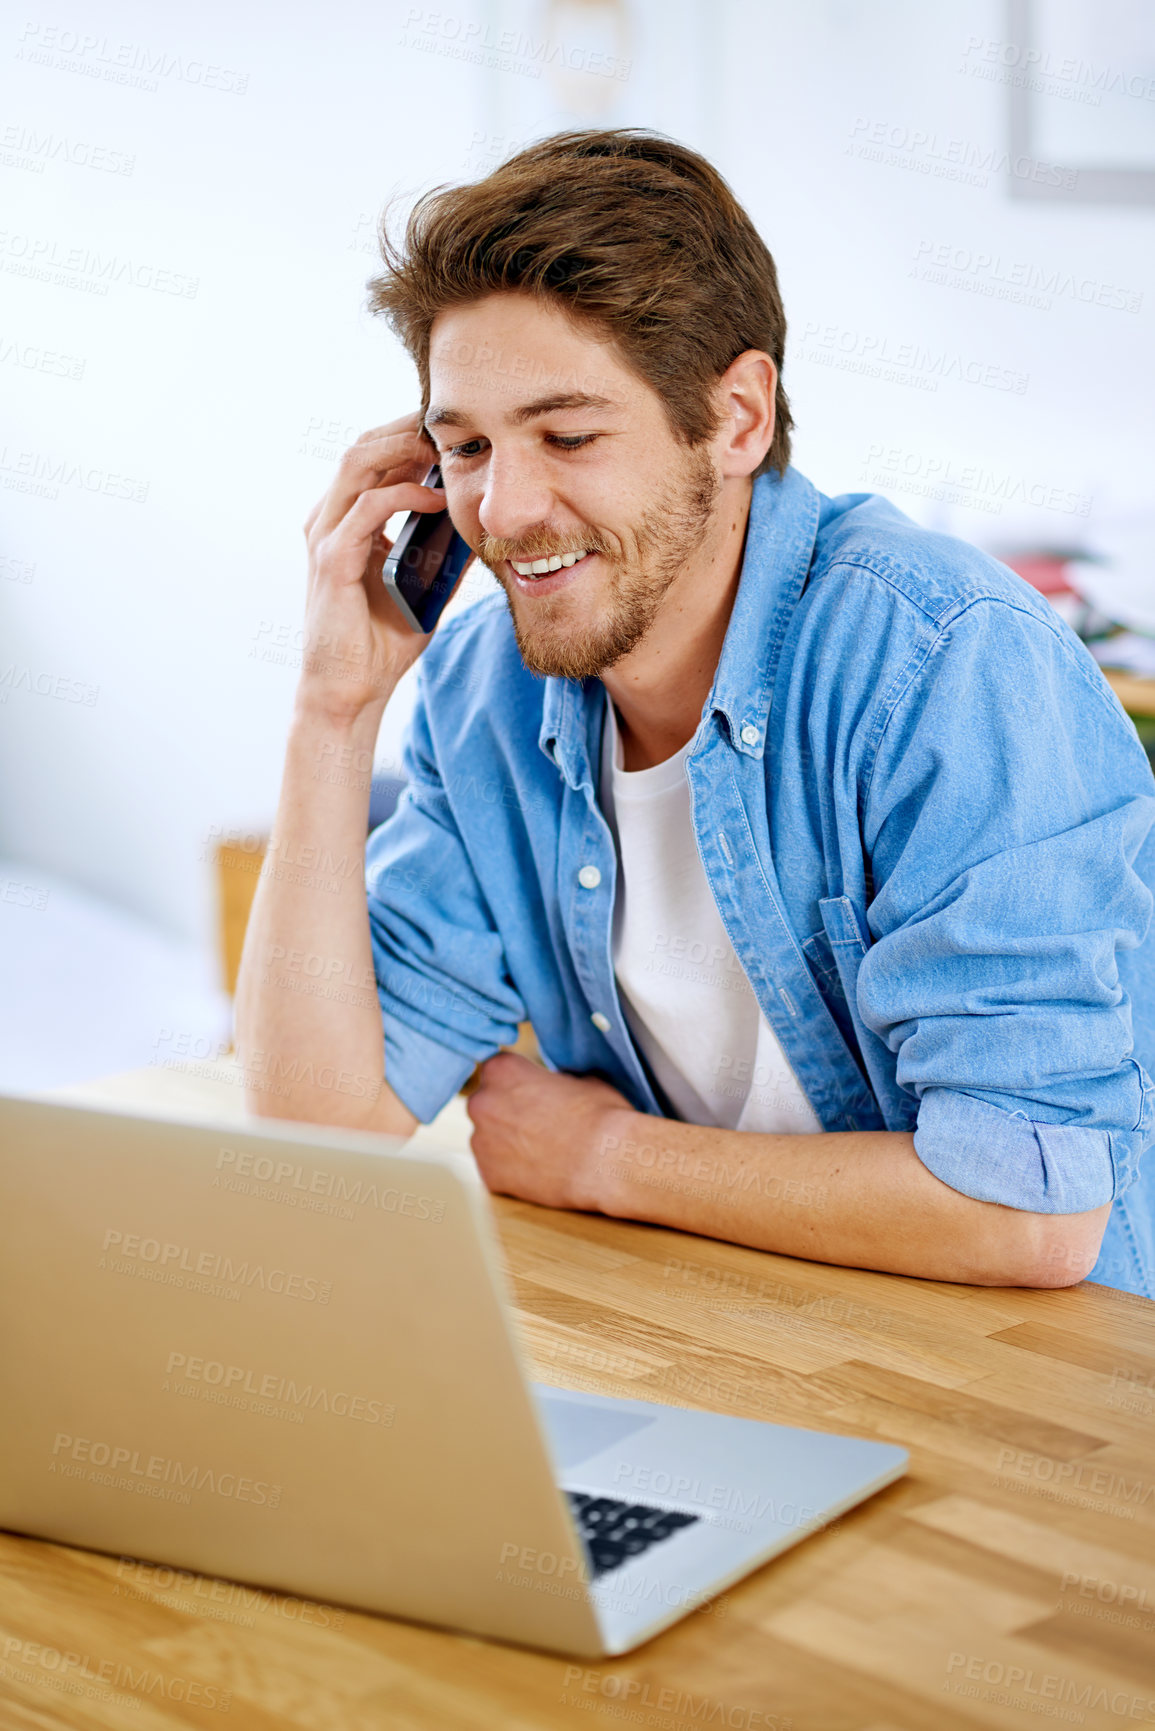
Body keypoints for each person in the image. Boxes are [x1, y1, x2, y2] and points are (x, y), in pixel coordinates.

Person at [235, 129, 1155, 1296]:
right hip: (731, 1352)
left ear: (737, 418)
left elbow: (1028, 1214)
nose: (506, 509)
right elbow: (318, 1136)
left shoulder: (946, 666)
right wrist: (332, 710)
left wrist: (604, 1157)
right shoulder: (487, 692)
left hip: (1022, 1401)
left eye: (568, 435)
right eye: (464, 446)